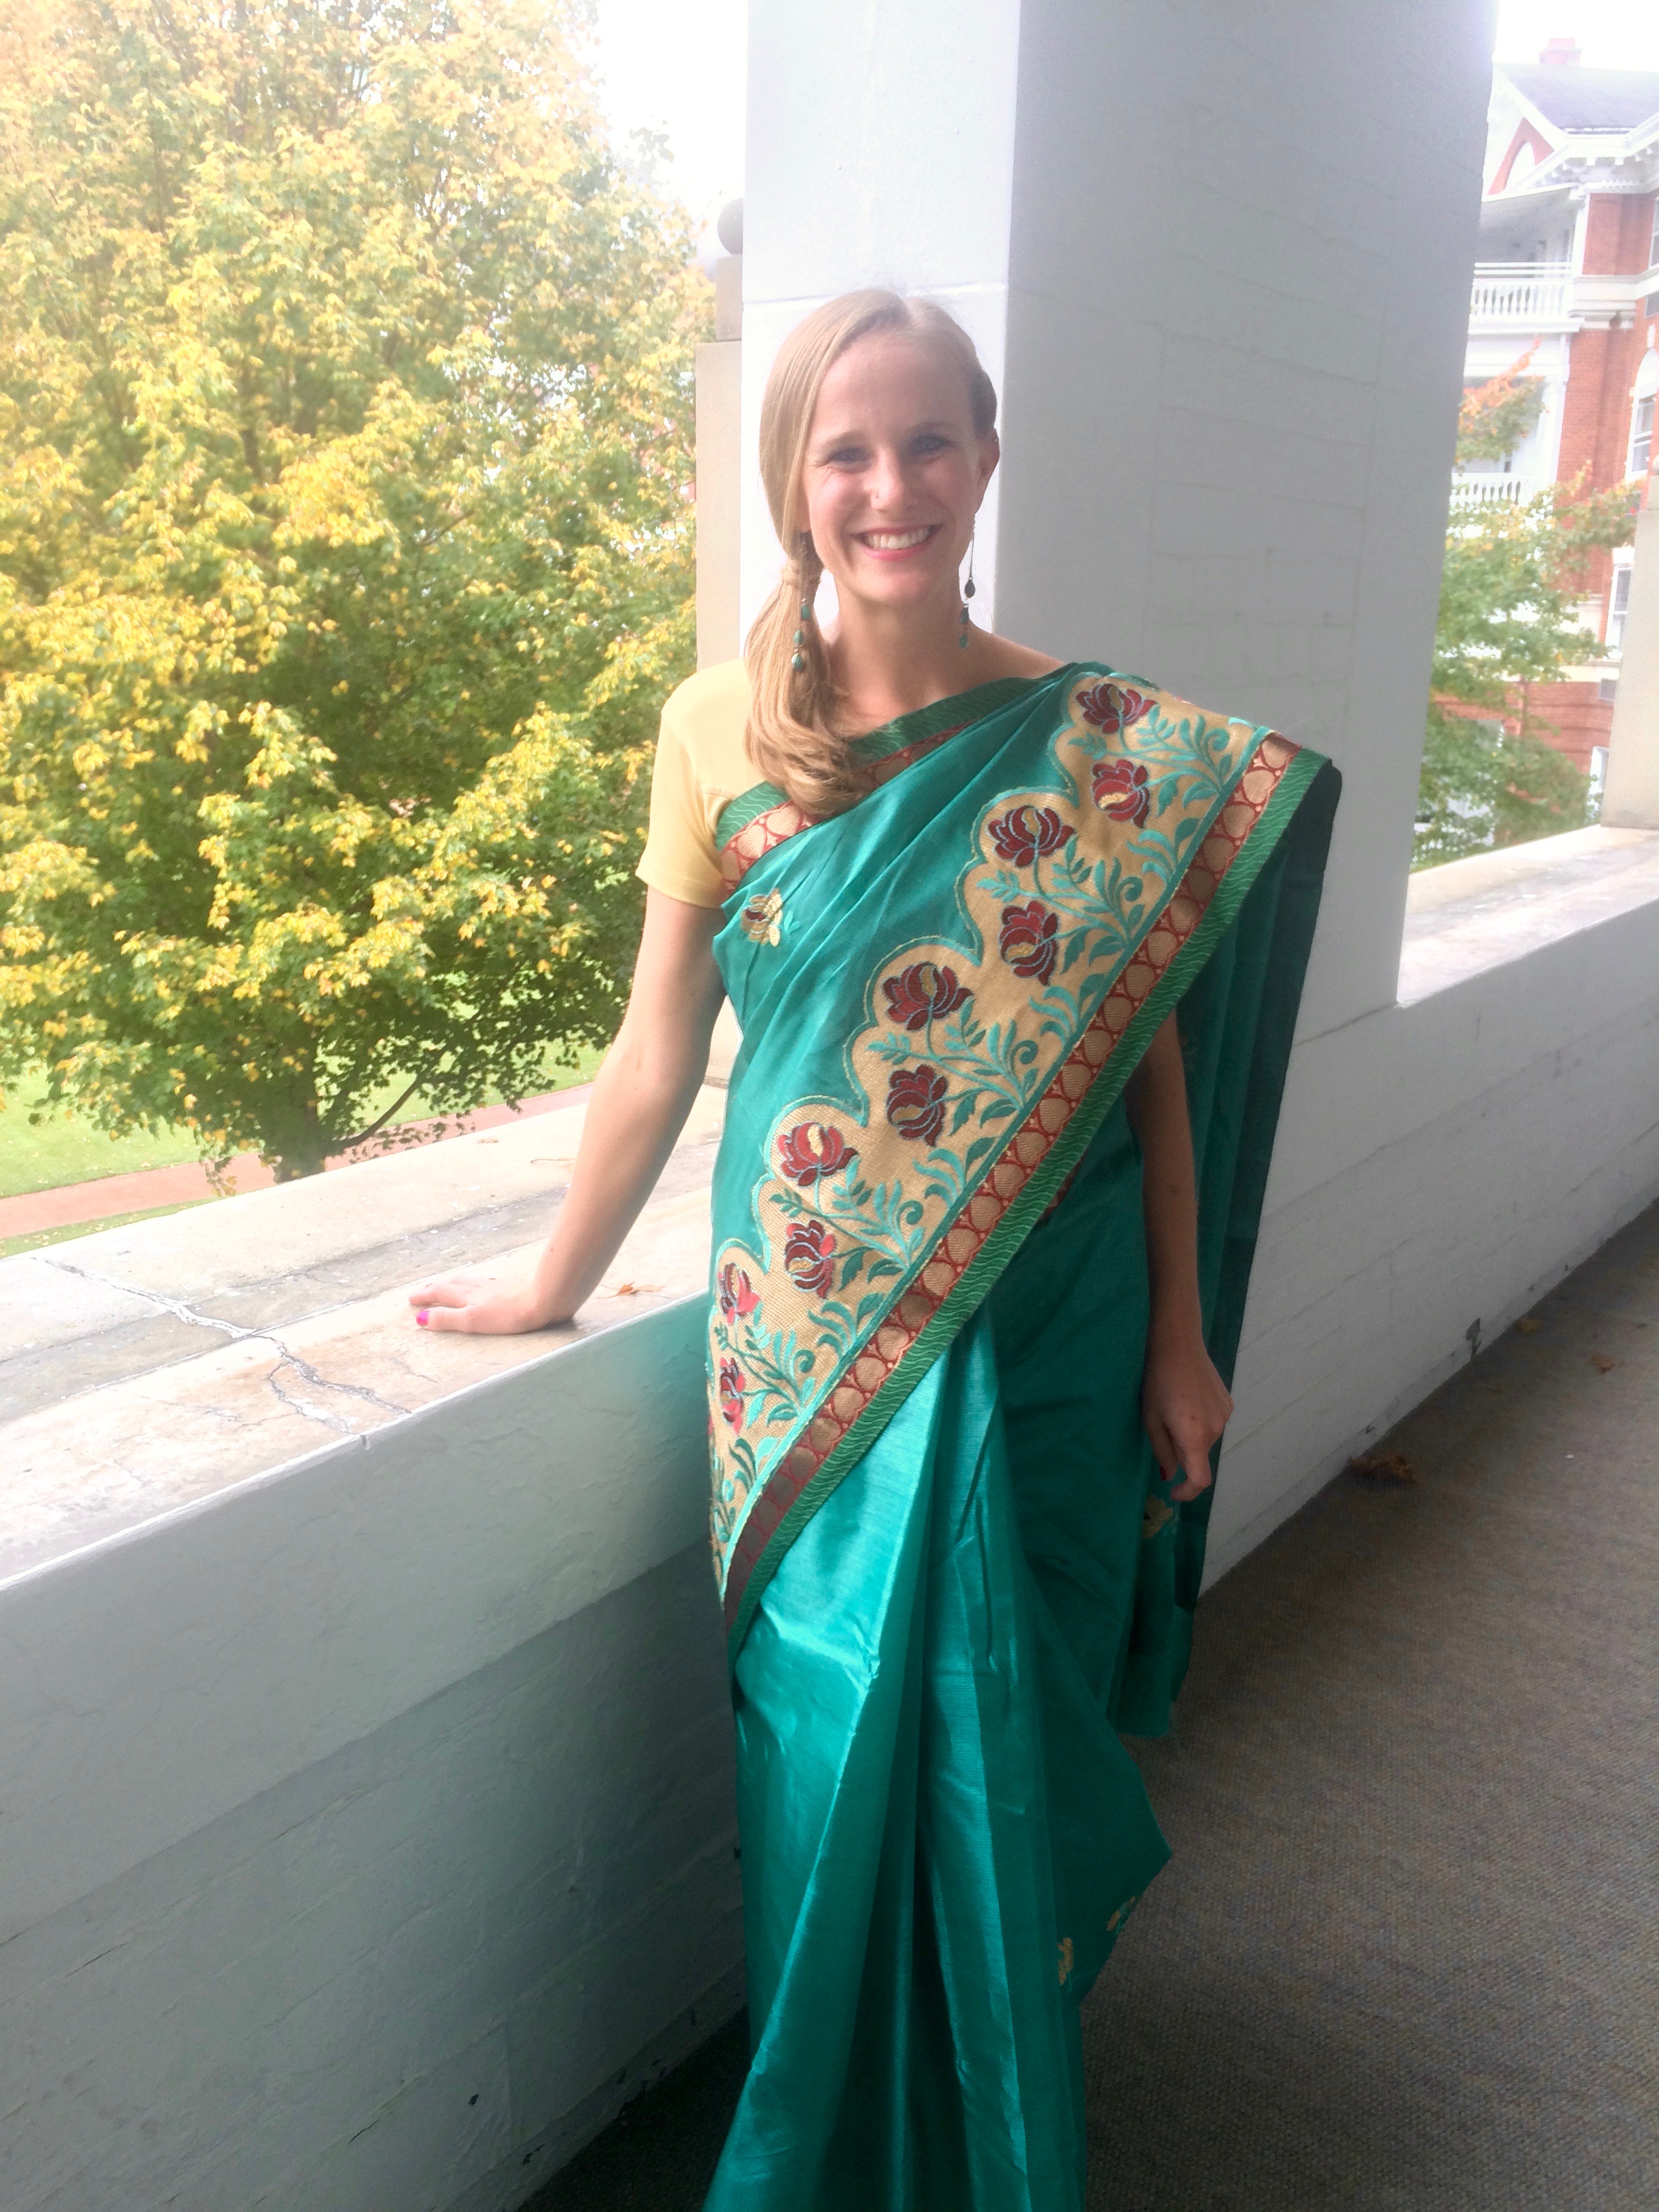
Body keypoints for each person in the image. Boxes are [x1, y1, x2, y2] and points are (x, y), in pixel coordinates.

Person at [409, 290, 1338, 2211]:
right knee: (832, 1749)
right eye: (846, 449)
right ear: (792, 480)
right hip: (813, 1329)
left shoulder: (1095, 744)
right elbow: (658, 1048)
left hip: (1059, 1320)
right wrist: (553, 1280)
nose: (889, 484)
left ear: (986, 460)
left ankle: (991, 2129)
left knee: (1009, 1743)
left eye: (928, 443)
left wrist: (1180, 1334)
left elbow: (1151, 1070)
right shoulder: (718, 732)